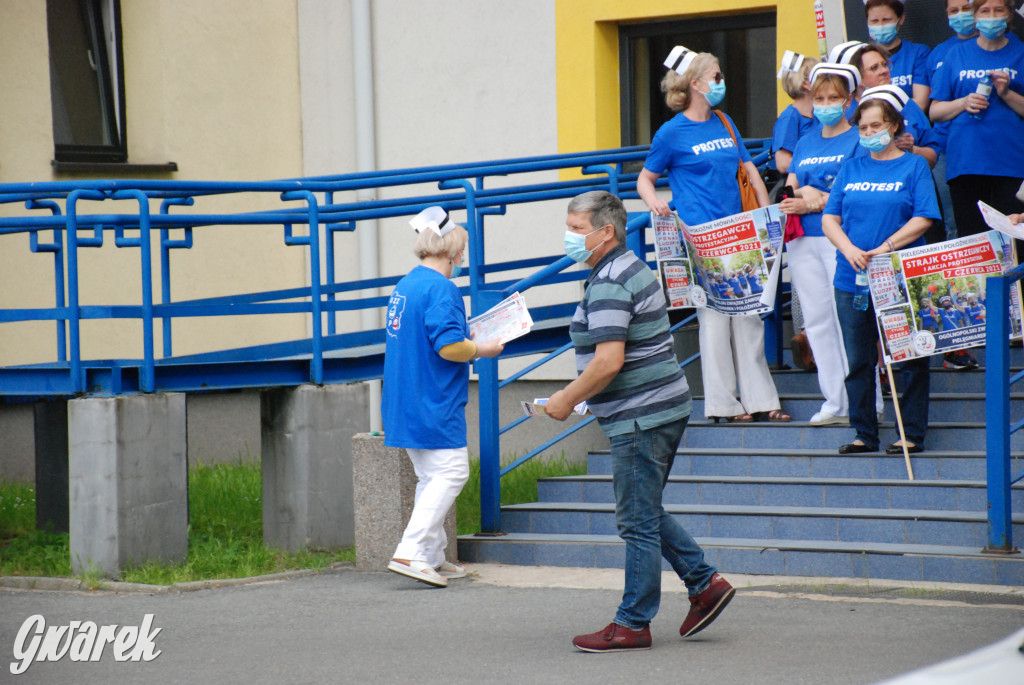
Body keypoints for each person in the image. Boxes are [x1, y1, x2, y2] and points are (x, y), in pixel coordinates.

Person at [545, 191, 733, 653]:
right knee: (645, 511)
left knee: (636, 522)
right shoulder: (630, 267)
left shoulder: (610, 279)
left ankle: (633, 623)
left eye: (575, 228)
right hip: (659, 406)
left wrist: (566, 399)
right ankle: (704, 583)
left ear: (604, 230)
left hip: (641, 417)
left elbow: (608, 361)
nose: (569, 237)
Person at [636, 45, 790, 424]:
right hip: (700, 236)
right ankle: (724, 404)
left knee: (749, 316)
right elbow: (645, 177)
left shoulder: (724, 121)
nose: (722, 82)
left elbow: (747, 167)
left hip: (739, 231)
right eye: (717, 76)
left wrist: (762, 209)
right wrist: (654, 201)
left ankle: (762, 400)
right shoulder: (671, 133)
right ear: (695, 83)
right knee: (715, 320)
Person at [382, 206, 504, 588]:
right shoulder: (443, 289)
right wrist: (483, 349)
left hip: (404, 399)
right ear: (451, 250)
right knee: (452, 472)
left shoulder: (407, 285)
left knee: (429, 477)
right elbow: (450, 346)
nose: (463, 256)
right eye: (462, 249)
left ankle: (433, 556)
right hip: (433, 401)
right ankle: (411, 551)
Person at [822, 89, 940, 455]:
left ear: (892, 126)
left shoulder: (913, 165)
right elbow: (829, 217)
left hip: (898, 276)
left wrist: (886, 247)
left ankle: (911, 432)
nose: (869, 131)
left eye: (876, 125)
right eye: (863, 126)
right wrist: (849, 249)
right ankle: (864, 433)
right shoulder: (851, 167)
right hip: (851, 278)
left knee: (909, 356)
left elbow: (924, 217)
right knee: (858, 359)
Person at [780, 62, 864, 427]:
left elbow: (857, 193)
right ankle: (834, 401)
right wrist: (800, 196)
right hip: (803, 242)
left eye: (834, 97)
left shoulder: (859, 138)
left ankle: (865, 401)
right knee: (816, 321)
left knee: (850, 320)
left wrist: (816, 199)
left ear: (848, 100)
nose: (826, 104)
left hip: (841, 240)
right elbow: (791, 185)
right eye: (819, 98)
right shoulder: (804, 140)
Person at [929, 0, 1024, 237]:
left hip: (1011, 162)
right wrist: (963, 103)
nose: (991, 16)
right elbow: (934, 112)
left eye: (998, 10)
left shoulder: (1021, 53)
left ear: (1009, 15)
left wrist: (1006, 93)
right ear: (975, 16)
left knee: (1014, 242)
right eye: (984, 11)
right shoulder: (956, 54)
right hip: (966, 162)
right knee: (973, 241)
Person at [927, 0, 981, 239]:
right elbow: (931, 108)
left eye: (966, 8)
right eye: (953, 11)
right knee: (955, 223)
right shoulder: (940, 52)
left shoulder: (1010, 47)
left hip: (987, 147)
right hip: (945, 148)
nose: (960, 15)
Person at [863, 0, 932, 111]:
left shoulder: (918, 53)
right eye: (874, 21)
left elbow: (920, 103)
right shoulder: (861, 57)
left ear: (901, 19)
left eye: (886, 20)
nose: (881, 26)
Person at [773, 51, 820, 175]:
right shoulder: (789, 117)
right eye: (820, 75)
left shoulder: (819, 114)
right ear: (806, 83)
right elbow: (783, 163)